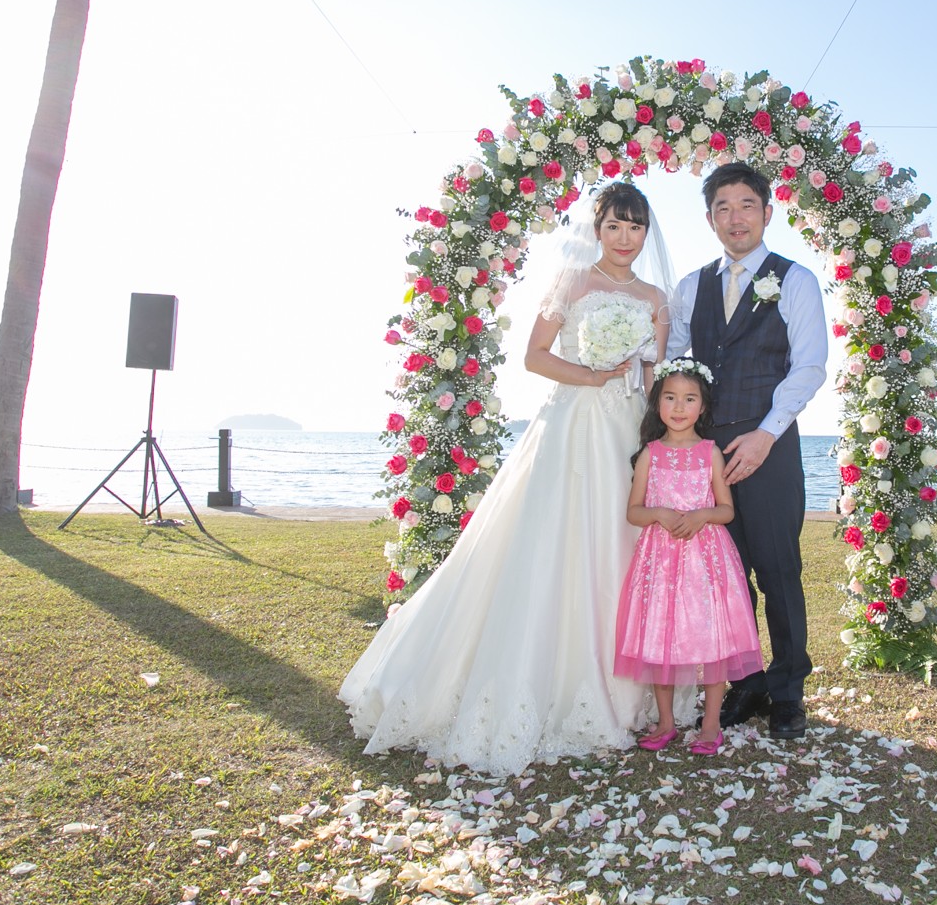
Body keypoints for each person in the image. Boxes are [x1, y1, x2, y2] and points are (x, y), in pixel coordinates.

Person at [339, 183, 674, 777]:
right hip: (572, 423)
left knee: (621, 547)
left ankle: (625, 685)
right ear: (597, 228)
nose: (626, 238)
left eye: (636, 227)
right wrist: (591, 375)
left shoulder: (655, 297)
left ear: (647, 232)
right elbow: (535, 356)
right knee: (551, 542)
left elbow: (654, 378)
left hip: (627, 432)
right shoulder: (571, 283)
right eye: (615, 226)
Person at [668, 161, 828, 740]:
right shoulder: (691, 286)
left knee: (778, 569)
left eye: (746, 205)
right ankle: (746, 679)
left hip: (769, 444)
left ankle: (787, 689)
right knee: (723, 575)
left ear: (767, 210)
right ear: (709, 219)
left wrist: (766, 434)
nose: (735, 218)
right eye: (723, 208)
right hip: (706, 453)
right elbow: (677, 363)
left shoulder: (797, 279)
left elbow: (809, 366)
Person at [615, 359, 763, 756]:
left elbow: (726, 509)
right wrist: (660, 514)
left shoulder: (710, 453)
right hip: (660, 561)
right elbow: (634, 511)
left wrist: (702, 515)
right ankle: (666, 722)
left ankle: (711, 724)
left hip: (705, 558)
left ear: (703, 406)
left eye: (689, 399)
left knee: (711, 639)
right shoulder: (649, 454)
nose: (679, 407)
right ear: (657, 403)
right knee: (660, 638)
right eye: (670, 398)